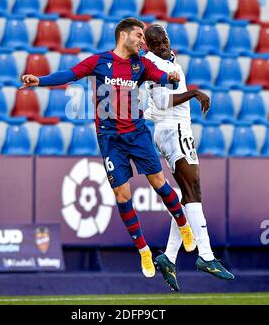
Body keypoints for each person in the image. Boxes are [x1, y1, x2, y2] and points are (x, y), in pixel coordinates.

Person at [20, 18, 195, 278]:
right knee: (122, 196)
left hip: (137, 134)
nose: (142, 41)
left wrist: (170, 77)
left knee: (159, 182)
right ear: (123, 35)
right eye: (138, 35)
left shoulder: (142, 64)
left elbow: (163, 78)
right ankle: (144, 251)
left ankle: (184, 225)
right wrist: (40, 81)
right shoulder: (100, 61)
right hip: (110, 138)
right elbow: (70, 74)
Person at [144, 24, 234, 291]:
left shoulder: (163, 60)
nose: (163, 46)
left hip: (170, 130)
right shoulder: (153, 64)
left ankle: (168, 257)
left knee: (187, 195)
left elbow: (153, 105)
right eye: (157, 43)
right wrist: (194, 93)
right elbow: (161, 102)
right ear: (149, 46)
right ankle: (206, 255)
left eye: (165, 41)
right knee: (194, 190)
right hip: (175, 129)